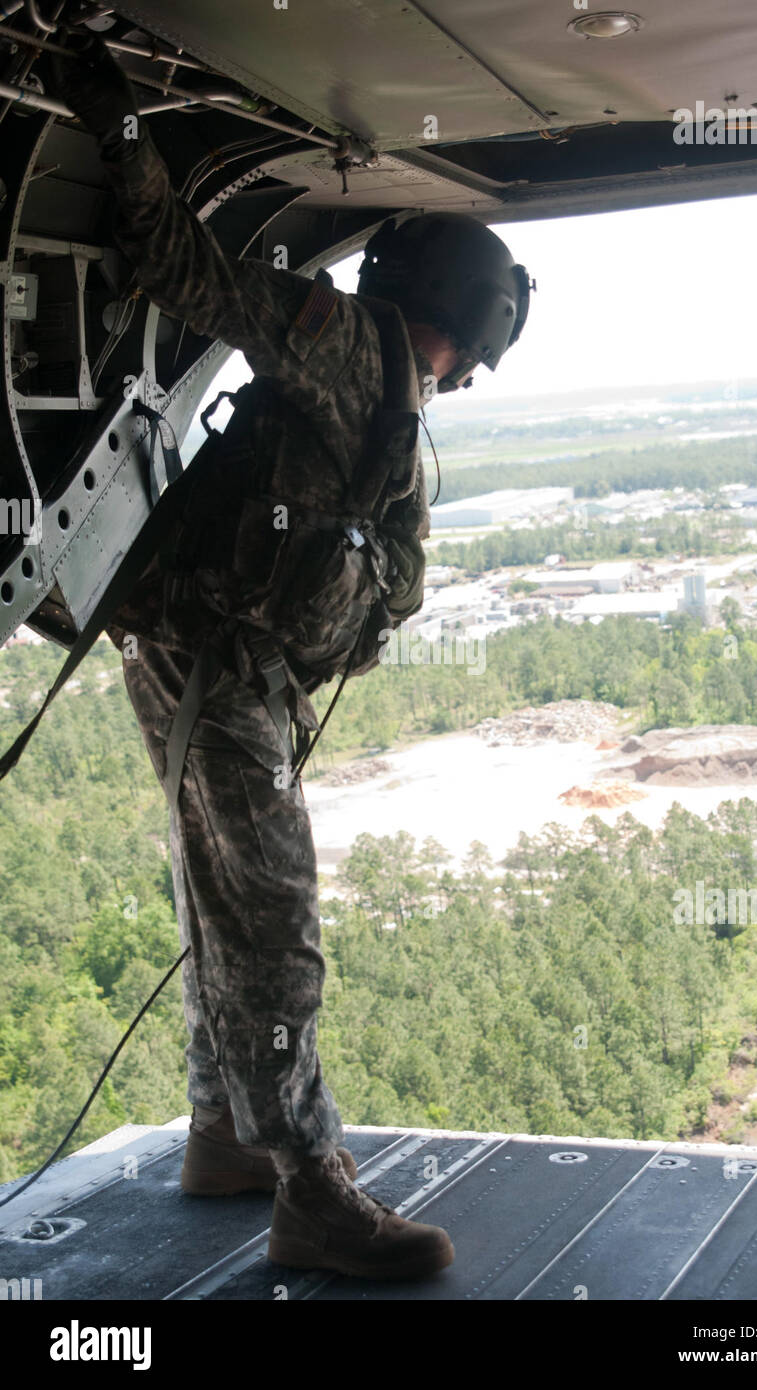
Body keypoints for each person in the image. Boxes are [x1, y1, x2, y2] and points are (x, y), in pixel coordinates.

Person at [47, 31, 531, 1282]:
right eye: (472, 353)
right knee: (273, 925)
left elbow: (385, 574)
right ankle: (311, 1190)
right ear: (467, 327)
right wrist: (121, 130)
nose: (461, 376)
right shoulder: (340, 343)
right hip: (212, 665)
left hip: (233, 670)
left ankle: (222, 1132)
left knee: (229, 909)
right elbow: (185, 269)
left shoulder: (390, 403)